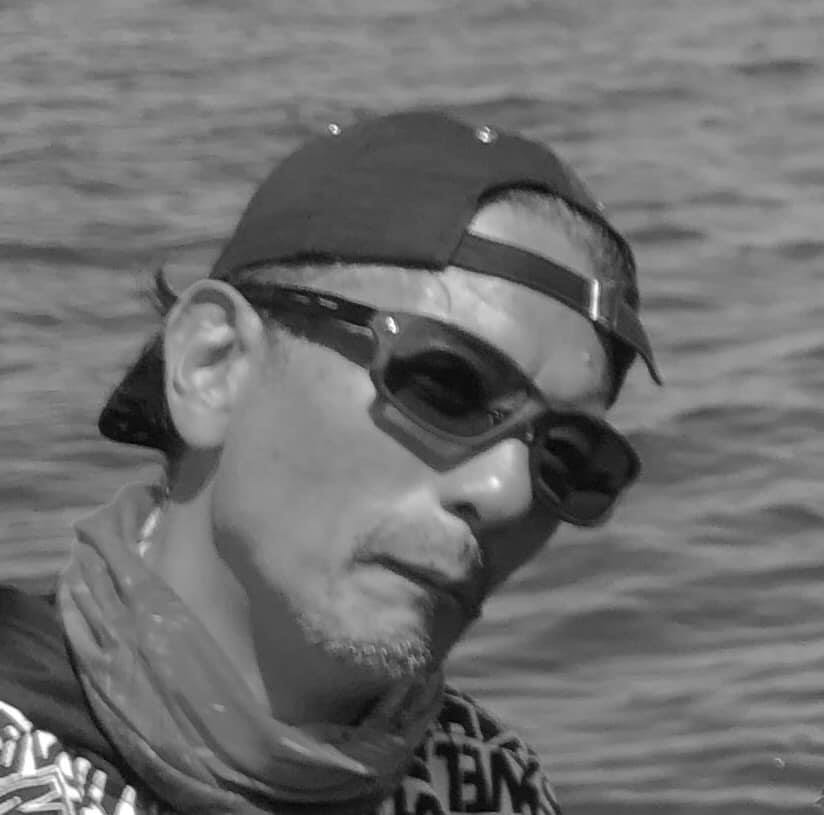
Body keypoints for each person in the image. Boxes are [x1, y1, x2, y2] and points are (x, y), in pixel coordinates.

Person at [0, 110, 661, 815]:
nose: (506, 491)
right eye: (444, 386)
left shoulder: (494, 784)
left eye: (568, 455)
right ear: (213, 364)